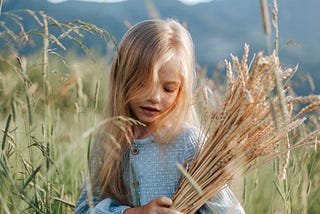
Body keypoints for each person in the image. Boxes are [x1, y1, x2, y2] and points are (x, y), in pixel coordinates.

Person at [75, 19, 245, 214]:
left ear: (181, 90)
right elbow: (83, 210)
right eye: (143, 83)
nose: (154, 97)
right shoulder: (108, 140)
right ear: (122, 79)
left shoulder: (190, 144)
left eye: (168, 88)